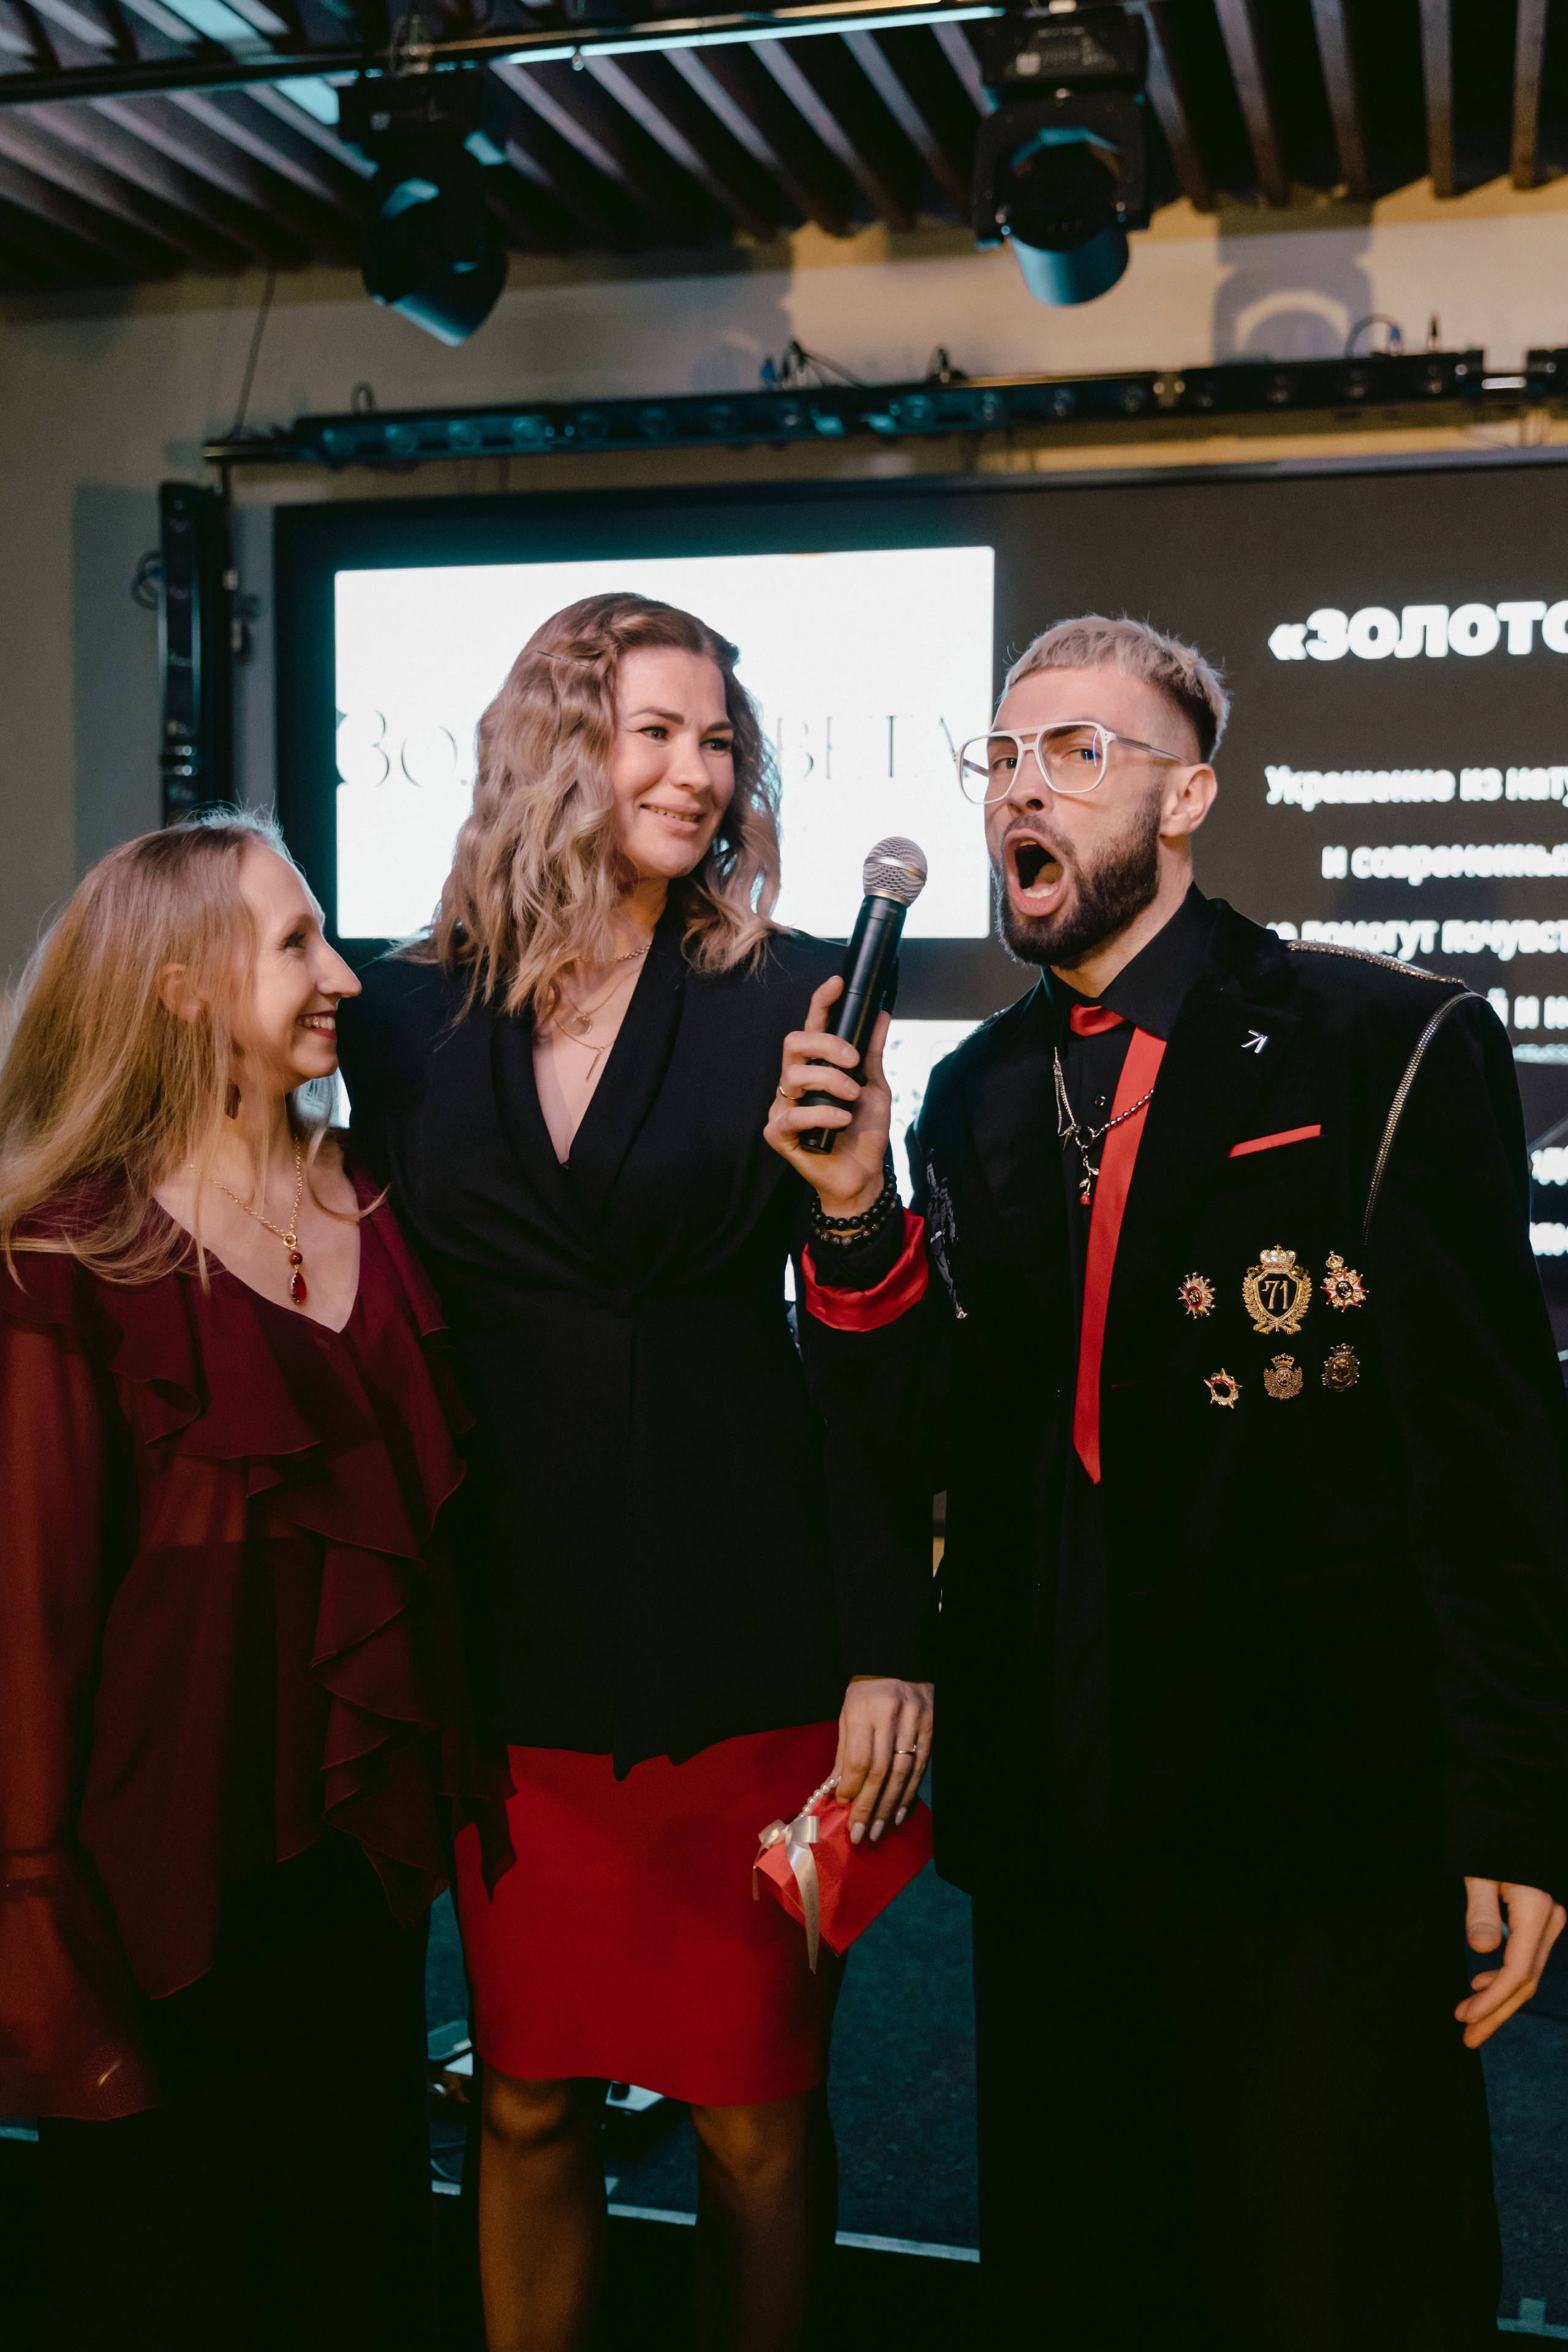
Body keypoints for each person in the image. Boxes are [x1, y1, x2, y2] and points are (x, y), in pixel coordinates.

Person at [766, 614, 1568, 2351]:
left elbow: (1491, 1461)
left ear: (1188, 797)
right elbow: (947, 1433)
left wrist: (1508, 1805)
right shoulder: (971, 1097)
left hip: (1313, 1806)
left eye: (1076, 753)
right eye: (1001, 757)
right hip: (1064, 1806)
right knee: (1088, 2266)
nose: (1019, 792)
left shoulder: (1385, 1044)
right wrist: (847, 1210)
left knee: (1321, 2274)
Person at [336, 591, 935, 2352]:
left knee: (755, 2119)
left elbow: (874, 1361)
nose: (698, 770)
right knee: (524, 2097)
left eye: (719, 740)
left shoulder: (798, 992)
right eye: (654, 731)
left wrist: (890, 1633)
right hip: (505, 1650)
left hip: (745, 1634)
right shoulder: (395, 1013)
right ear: (556, 746)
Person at [0, 812, 507, 2352]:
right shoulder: (66, 1261)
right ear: (173, 988)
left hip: (354, 1874)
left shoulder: (379, 1199)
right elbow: (24, 1636)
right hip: (154, 1880)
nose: (340, 973)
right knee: (178, 2273)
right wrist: (37, 1942)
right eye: (293, 943)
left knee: (349, 2246)